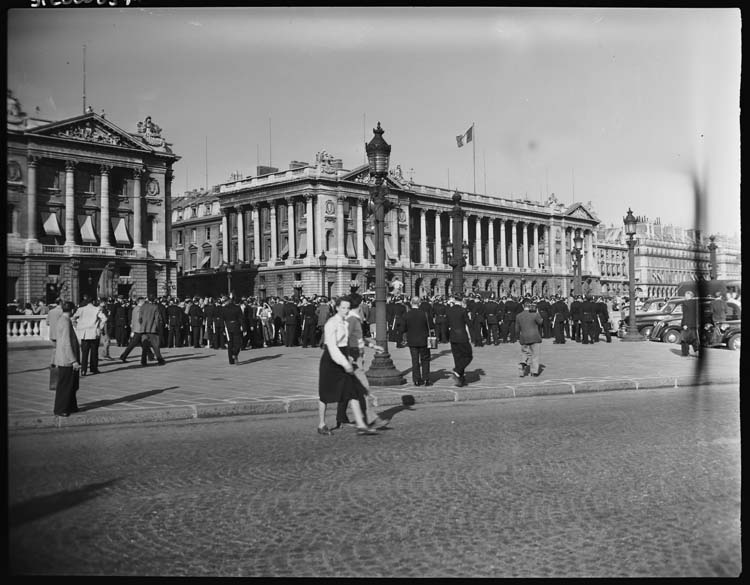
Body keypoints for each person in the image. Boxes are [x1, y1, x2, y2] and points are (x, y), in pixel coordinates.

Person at [317, 296, 378, 436]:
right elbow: (332, 347)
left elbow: (346, 343)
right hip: (330, 360)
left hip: (343, 356)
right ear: (337, 308)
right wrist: (345, 363)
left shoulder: (345, 323)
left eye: (347, 308)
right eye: (343, 307)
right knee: (325, 394)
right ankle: (321, 423)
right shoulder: (331, 323)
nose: (345, 310)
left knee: (353, 392)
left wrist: (349, 356)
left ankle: (361, 426)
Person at [53, 301, 81, 417]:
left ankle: (71, 406)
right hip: (66, 359)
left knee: (71, 384)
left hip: (63, 357)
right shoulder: (65, 322)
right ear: (72, 310)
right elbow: (66, 343)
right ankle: (60, 408)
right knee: (65, 385)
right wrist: (73, 360)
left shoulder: (62, 319)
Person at [72, 294, 104, 376]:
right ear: (93, 301)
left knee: (84, 353)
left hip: (84, 333)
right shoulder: (97, 309)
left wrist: (77, 325)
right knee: (94, 352)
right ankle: (94, 368)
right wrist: (100, 327)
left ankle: (83, 370)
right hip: (93, 332)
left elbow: (73, 318)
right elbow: (104, 318)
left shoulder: (81, 309)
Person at [404, 296, 432, 386]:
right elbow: (431, 326)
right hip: (424, 340)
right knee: (425, 359)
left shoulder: (407, 314)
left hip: (412, 340)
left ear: (411, 303)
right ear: (419, 304)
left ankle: (416, 380)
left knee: (415, 360)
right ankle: (426, 379)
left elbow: (403, 328)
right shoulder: (425, 314)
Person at [446, 295, 473, 388]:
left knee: (457, 357)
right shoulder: (463, 310)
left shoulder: (449, 310)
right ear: (461, 301)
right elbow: (469, 323)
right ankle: (457, 371)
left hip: (453, 335)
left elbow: (447, 323)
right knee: (468, 356)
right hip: (462, 336)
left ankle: (460, 380)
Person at [516, 300, 543, 377]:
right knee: (535, 354)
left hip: (524, 337)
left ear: (522, 306)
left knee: (524, 352)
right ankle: (534, 371)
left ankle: (522, 363)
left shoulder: (518, 315)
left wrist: (518, 337)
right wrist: (537, 312)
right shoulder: (534, 314)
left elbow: (517, 329)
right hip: (534, 336)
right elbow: (541, 322)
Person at [140, 294, 167, 366]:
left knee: (145, 345)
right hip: (152, 329)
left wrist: (142, 325)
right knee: (156, 346)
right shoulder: (155, 307)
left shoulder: (143, 306)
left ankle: (143, 361)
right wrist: (158, 327)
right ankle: (160, 359)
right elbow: (157, 319)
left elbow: (140, 318)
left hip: (144, 329)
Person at [220, 295, 245, 365]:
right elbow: (241, 319)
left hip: (228, 327)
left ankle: (231, 359)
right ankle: (234, 354)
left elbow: (222, 320)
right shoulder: (236, 308)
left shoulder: (224, 308)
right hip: (235, 326)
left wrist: (222, 330)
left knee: (230, 343)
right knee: (237, 343)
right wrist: (244, 328)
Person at [46, 297, 64, 391]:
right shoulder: (62, 311)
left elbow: (47, 323)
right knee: (59, 350)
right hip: (60, 334)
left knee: (54, 349)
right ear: (60, 302)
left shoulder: (51, 311)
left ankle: (52, 363)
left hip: (52, 333)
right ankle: (56, 364)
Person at [680, 290, 701, 357]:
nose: (685, 297)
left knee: (685, 339)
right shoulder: (696, 303)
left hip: (687, 323)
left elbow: (685, 314)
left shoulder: (685, 303)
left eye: (685, 295)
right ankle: (697, 350)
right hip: (694, 323)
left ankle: (685, 353)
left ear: (689, 296)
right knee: (694, 338)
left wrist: (684, 324)